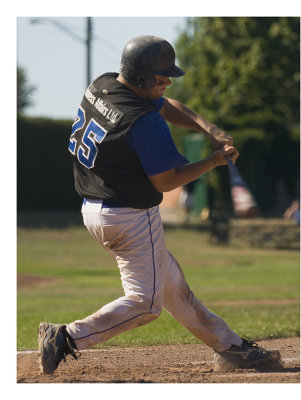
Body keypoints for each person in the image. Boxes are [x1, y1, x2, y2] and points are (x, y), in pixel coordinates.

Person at [38, 35, 281, 374]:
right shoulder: (142, 121)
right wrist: (213, 161)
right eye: (161, 76)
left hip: (95, 209)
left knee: (172, 287)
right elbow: (166, 182)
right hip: (130, 217)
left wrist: (207, 127)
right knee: (146, 305)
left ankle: (231, 347)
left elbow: (164, 105)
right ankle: (66, 337)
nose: (167, 81)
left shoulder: (105, 84)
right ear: (139, 77)